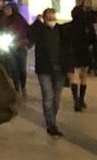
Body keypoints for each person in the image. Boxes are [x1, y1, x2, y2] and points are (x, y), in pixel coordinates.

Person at [27, 8, 68, 136]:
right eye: (49, 18)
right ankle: (51, 124)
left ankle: (52, 119)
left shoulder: (60, 30)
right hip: (44, 68)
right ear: (44, 19)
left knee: (56, 98)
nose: (52, 20)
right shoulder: (39, 30)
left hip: (59, 68)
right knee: (48, 96)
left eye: (53, 17)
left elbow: (68, 48)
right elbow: (30, 37)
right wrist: (36, 22)